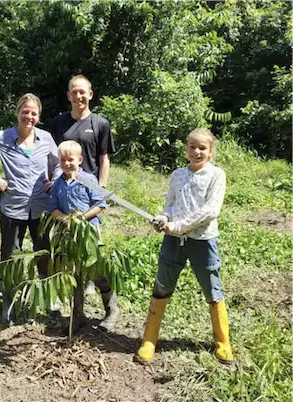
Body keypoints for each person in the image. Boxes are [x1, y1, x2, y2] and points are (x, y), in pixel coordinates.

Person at [136, 128, 234, 365]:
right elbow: (170, 204)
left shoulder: (216, 175)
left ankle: (223, 343)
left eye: (203, 148)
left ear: (211, 152)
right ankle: (149, 340)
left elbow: (210, 211)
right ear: (186, 149)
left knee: (212, 287)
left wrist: (178, 225)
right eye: (193, 147)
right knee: (162, 285)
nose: (197, 151)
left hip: (202, 241)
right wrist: (164, 218)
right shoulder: (177, 175)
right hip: (173, 241)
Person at [0, 93, 60, 325]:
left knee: (44, 254)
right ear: (17, 113)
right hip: (12, 208)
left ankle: (50, 301)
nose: (29, 117)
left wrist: (54, 182)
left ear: (38, 116)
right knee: (10, 258)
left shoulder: (47, 139)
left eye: (34, 113)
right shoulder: (3, 138)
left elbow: (59, 164)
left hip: (41, 209)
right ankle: (8, 304)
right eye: (25, 111)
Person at [50, 74, 116, 294]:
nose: (79, 96)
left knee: (91, 242)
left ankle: (92, 281)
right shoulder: (59, 123)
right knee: (68, 240)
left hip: (89, 193)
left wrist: (102, 188)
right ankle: (73, 281)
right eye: (74, 92)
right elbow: (52, 155)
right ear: (68, 95)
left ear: (90, 94)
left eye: (82, 91)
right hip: (65, 190)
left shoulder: (100, 123)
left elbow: (104, 158)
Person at [49, 140, 120, 332]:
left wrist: (83, 217)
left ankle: (111, 310)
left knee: (96, 271)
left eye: (70, 159)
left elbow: (100, 205)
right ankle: (78, 315)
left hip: (89, 233)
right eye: (63, 160)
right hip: (68, 234)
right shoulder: (58, 183)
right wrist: (63, 218)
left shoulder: (88, 179)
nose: (67, 163)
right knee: (74, 273)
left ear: (79, 160)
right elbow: (53, 207)